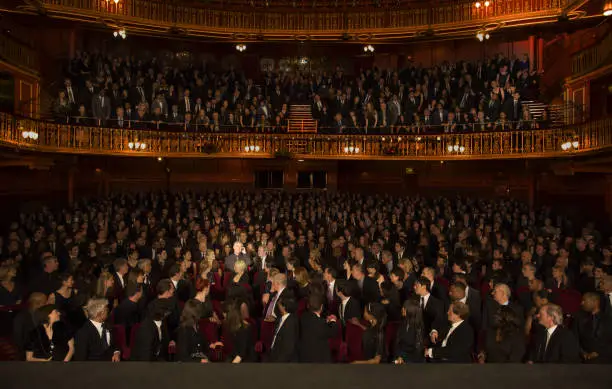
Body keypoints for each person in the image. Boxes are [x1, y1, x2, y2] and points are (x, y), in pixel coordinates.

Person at [572, 292, 612, 363]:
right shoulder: (579, 319)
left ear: (595, 302)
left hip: (606, 361)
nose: (582, 303)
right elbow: (575, 339)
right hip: (584, 360)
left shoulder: (608, 319)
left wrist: (599, 353)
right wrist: (583, 353)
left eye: (584, 300)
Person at [299, 293, 338, 363]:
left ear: (308, 306)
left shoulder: (303, 317)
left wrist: (325, 321)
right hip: (319, 361)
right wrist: (333, 320)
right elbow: (333, 332)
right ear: (321, 307)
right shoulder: (321, 324)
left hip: (303, 357)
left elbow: (315, 322)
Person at [267, 294, 299, 362]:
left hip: (281, 361)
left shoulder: (290, 323)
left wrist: (279, 363)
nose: (277, 307)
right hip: (274, 355)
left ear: (283, 307)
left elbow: (288, 348)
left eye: (278, 305)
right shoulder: (283, 318)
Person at [394, 298, 425, 364]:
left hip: (412, 360)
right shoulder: (403, 322)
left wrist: (404, 360)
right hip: (401, 356)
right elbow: (398, 342)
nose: (402, 309)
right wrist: (399, 356)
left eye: (404, 308)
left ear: (410, 311)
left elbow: (418, 351)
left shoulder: (418, 328)